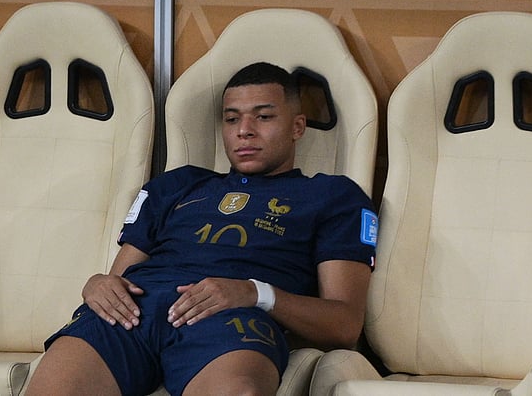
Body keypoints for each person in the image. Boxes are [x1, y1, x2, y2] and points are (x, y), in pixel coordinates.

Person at [26, 62, 377, 396]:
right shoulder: (176, 185)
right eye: (232, 118)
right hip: (134, 311)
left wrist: (256, 293)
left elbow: (344, 326)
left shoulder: (333, 196)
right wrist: (97, 284)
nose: (244, 130)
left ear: (297, 127)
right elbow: (118, 278)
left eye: (264, 116)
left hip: (231, 318)